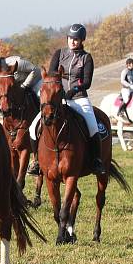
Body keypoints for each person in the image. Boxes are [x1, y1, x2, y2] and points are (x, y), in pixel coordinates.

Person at [48, 23, 106, 175]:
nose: (72, 42)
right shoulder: (59, 54)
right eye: (70, 38)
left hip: (79, 98)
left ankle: (96, 160)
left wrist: (74, 90)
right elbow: (51, 73)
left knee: (93, 127)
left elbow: (87, 82)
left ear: (82, 40)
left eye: (76, 39)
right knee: (36, 124)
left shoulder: (86, 58)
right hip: (58, 99)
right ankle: (36, 161)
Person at [0, 51, 43, 176]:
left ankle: (44, 123)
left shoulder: (17, 63)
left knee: (41, 98)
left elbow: (35, 70)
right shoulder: (1, 72)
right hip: (17, 88)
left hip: (34, 82)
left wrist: (25, 85)